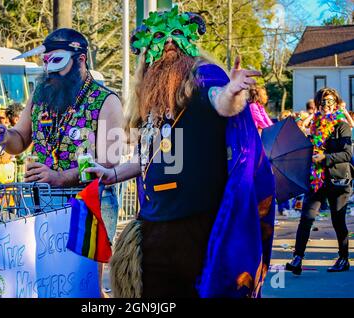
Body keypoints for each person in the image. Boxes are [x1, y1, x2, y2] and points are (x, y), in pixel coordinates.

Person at [86, 7, 275, 298]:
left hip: (197, 231)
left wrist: (234, 91)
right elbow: (145, 159)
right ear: (148, 52)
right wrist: (112, 173)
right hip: (153, 229)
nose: (169, 43)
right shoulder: (150, 99)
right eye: (160, 38)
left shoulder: (202, 78)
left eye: (177, 35)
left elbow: (221, 102)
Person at [0, 28, 123, 297]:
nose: (50, 69)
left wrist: (60, 177)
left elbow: (109, 162)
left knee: (82, 286)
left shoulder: (106, 100)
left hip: (89, 205)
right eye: (46, 61)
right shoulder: (41, 95)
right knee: (51, 282)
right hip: (46, 203)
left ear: (81, 60)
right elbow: (20, 140)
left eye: (57, 61)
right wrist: (4, 136)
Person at [286, 88, 352, 275]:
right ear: (318, 104)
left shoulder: (342, 125)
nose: (326, 105)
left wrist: (325, 157)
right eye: (323, 102)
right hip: (317, 179)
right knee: (306, 217)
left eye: (330, 101)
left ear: (336, 103)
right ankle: (297, 258)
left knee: (338, 220)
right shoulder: (314, 125)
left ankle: (344, 258)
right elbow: (308, 148)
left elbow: (347, 154)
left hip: (338, 180)